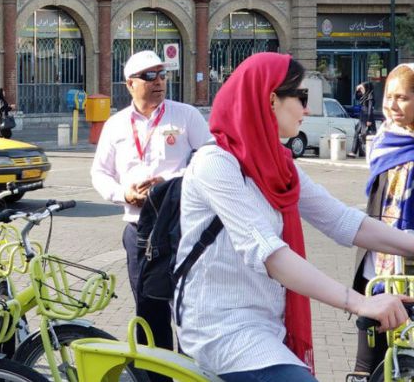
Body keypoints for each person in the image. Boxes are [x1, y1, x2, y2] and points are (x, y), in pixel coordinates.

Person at [175, 52, 414, 382]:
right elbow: (272, 257)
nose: (309, 110)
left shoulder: (279, 165)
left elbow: (343, 221)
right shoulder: (215, 163)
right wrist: (360, 303)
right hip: (221, 327)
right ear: (270, 98)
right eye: (301, 98)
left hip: (267, 322)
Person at [90, 50, 211, 363]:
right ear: (130, 84)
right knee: (149, 311)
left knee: (190, 309)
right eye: (149, 76)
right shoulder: (116, 125)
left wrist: (173, 185)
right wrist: (123, 194)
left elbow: (212, 160)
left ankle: (194, 371)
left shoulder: (186, 116)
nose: (158, 81)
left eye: (162, 74)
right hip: (140, 231)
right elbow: (99, 172)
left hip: (183, 228)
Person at [350, 64, 414, 379]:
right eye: (389, 97)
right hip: (376, 271)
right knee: (366, 366)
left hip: (410, 277)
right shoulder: (384, 142)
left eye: (402, 98)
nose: (391, 106)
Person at [350, 81, 377, 158]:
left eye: (362, 88)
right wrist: (357, 90)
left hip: (367, 117)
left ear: (367, 88)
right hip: (362, 116)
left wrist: (369, 120)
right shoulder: (364, 96)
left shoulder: (370, 96)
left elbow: (370, 109)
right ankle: (354, 152)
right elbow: (356, 97)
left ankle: (375, 151)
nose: (361, 90)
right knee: (358, 132)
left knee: (371, 134)